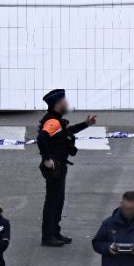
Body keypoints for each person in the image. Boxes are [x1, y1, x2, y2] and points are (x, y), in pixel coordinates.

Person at [36, 89, 97, 246]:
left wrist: (86, 124)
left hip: (60, 166)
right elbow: (42, 138)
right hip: (54, 167)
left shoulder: (57, 120)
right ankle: (48, 236)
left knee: (58, 201)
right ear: (58, 104)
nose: (67, 103)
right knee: (52, 202)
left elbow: (66, 132)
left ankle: (55, 232)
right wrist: (47, 159)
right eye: (64, 101)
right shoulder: (52, 121)